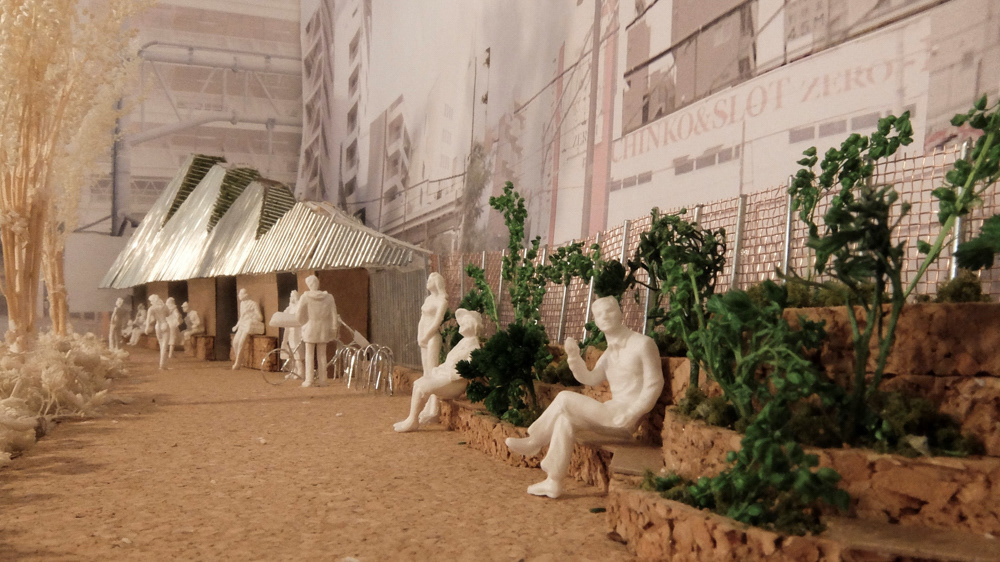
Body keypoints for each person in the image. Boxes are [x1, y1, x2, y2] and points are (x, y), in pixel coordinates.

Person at [505, 296, 664, 498]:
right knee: (565, 420)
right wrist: (573, 357)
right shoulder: (608, 354)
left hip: (623, 417)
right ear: (596, 322)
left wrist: (633, 413)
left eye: (610, 311)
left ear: (620, 313)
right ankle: (553, 481)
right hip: (611, 412)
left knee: (564, 398)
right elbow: (590, 378)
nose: (605, 316)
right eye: (599, 314)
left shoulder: (643, 344)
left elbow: (654, 384)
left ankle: (534, 441)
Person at [394, 308, 481, 432]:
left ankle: (413, 421)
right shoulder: (462, 343)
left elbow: (466, 370)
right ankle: (412, 419)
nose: (461, 324)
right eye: (462, 322)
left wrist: (446, 373)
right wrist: (440, 370)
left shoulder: (474, 348)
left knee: (422, 387)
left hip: (455, 383)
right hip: (445, 376)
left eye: (465, 322)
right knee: (418, 383)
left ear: (474, 326)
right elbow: (449, 362)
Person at [295, 275, 339, 387]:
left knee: (309, 354)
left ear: (309, 285)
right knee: (322, 355)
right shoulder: (329, 297)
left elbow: (298, 314)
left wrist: (303, 323)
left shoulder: (305, 297)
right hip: (323, 328)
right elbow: (334, 314)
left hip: (311, 326)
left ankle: (309, 380)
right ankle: (323, 380)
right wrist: (334, 327)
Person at [416, 272, 448, 423]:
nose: (427, 282)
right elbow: (422, 319)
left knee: (432, 372)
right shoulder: (428, 299)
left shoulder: (442, 300)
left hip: (432, 337)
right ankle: (427, 406)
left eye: (430, 280)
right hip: (423, 337)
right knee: (426, 372)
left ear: (437, 283)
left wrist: (426, 336)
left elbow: (437, 321)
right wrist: (419, 336)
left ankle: (434, 409)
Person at [232, 288, 265, 369]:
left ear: (245, 295)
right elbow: (241, 317)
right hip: (242, 324)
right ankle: (240, 359)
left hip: (249, 325)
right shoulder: (242, 304)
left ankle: (237, 363)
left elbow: (260, 318)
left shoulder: (253, 304)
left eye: (241, 294)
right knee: (235, 342)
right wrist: (236, 326)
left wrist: (251, 316)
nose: (239, 295)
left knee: (241, 343)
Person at [144, 295, 171, 370]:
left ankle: (162, 365)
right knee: (164, 346)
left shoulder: (151, 308)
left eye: (151, 301)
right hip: (164, 324)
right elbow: (168, 314)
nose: (150, 302)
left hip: (158, 326)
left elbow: (148, 320)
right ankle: (163, 365)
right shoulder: (164, 306)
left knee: (161, 344)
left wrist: (147, 328)